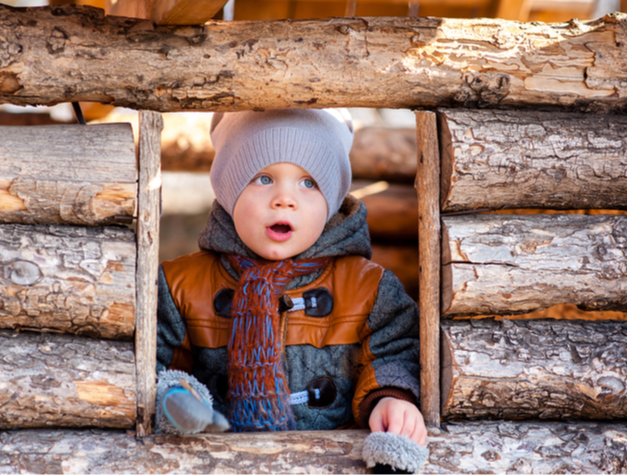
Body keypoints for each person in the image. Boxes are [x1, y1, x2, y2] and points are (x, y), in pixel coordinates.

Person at [155, 109, 426, 449]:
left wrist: (389, 398)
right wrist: (178, 393)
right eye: (264, 178)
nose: (285, 199)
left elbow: (395, 351)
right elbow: (155, 360)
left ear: (331, 202)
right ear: (228, 191)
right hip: (218, 458)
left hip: (332, 458)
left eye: (308, 183)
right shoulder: (180, 285)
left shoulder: (367, 286)